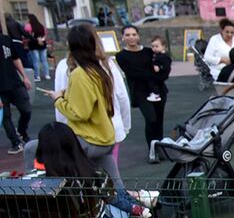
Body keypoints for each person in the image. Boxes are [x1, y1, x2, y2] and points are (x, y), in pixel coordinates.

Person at [35, 122, 153, 218]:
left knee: (114, 198)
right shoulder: (89, 172)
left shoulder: (40, 180)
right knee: (123, 204)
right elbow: (112, 198)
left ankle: (137, 195)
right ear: (73, 143)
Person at [42, 25, 125, 192]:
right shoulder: (99, 70)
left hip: (89, 140)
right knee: (116, 186)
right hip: (106, 138)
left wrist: (58, 99)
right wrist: (66, 94)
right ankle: (134, 207)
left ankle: (48, 197)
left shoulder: (79, 74)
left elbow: (80, 113)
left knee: (33, 149)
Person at [116, 24, 166, 161]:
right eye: (127, 35)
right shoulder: (121, 56)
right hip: (140, 92)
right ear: (122, 37)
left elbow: (163, 65)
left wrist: (159, 74)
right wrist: (152, 73)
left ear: (138, 36)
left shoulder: (149, 51)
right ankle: (152, 149)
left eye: (134, 34)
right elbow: (133, 73)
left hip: (158, 89)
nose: (131, 37)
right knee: (151, 119)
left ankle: (159, 148)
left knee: (159, 120)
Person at [0, 24, 33, 155]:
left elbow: (15, 58)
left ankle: (22, 131)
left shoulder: (6, 40)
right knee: (6, 117)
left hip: (15, 82)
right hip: (1, 89)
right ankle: (15, 142)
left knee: (26, 110)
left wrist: (25, 76)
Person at [24, 13, 50, 81]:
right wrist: (41, 40)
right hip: (42, 44)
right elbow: (45, 34)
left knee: (36, 61)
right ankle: (47, 75)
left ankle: (37, 76)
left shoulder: (28, 26)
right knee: (44, 60)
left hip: (33, 44)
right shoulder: (41, 26)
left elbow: (26, 34)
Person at [147, 36, 172, 103]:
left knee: (152, 80)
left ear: (163, 46)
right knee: (153, 81)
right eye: (153, 46)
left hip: (162, 74)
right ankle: (155, 93)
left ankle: (156, 94)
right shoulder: (156, 54)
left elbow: (167, 65)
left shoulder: (164, 56)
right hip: (159, 73)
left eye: (156, 46)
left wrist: (160, 67)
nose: (154, 48)